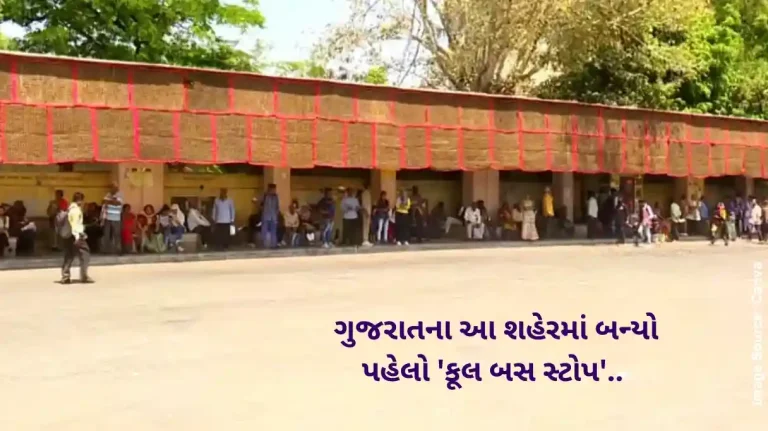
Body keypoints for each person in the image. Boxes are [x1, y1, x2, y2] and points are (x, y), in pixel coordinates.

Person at [59, 192, 93, 284]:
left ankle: (65, 276)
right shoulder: (76, 210)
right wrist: (78, 236)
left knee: (69, 256)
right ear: (80, 200)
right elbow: (74, 224)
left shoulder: (69, 208)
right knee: (85, 254)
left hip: (69, 235)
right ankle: (84, 276)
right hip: (75, 235)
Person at [101, 182, 124, 254]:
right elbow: (103, 201)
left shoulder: (120, 194)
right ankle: (106, 250)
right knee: (106, 234)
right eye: (111, 187)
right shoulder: (108, 194)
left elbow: (118, 203)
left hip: (116, 218)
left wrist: (109, 201)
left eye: (114, 187)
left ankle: (118, 250)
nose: (113, 189)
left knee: (117, 234)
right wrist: (112, 201)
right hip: (108, 217)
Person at [260, 183, 280, 249]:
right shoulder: (265, 196)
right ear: (269, 189)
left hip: (273, 217)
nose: (274, 191)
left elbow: (277, 206)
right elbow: (261, 204)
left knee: (273, 231)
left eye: (275, 189)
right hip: (266, 216)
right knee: (264, 231)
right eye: (273, 189)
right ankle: (264, 245)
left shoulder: (276, 196)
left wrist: (276, 215)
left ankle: (273, 245)